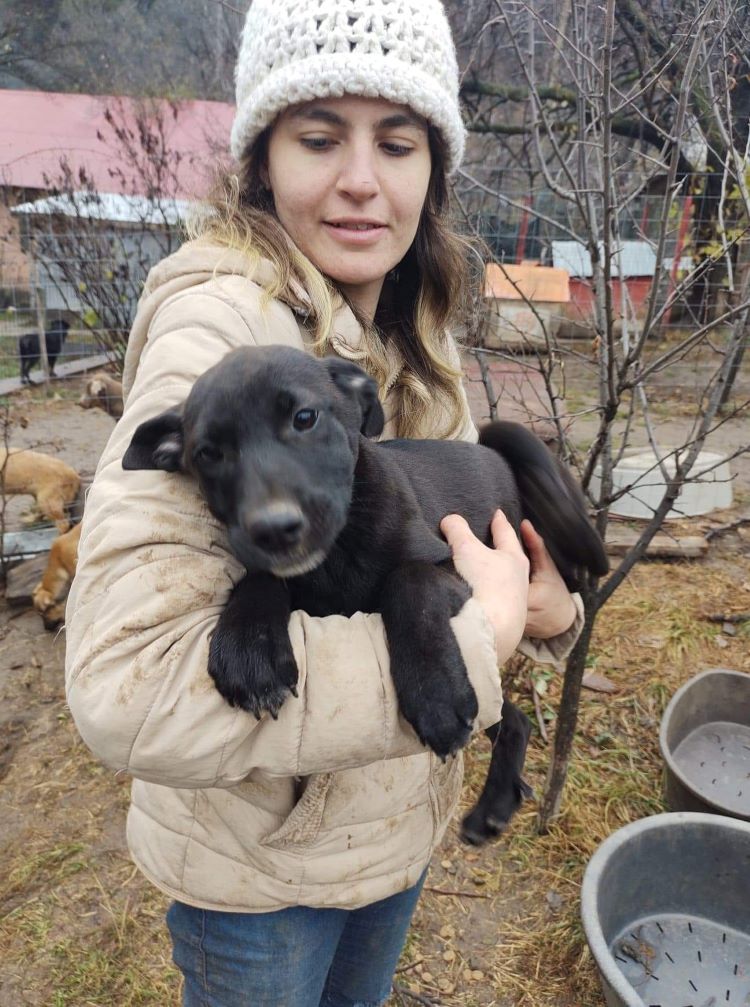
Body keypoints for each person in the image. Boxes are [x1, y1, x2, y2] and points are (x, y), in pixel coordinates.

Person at [65, 1, 584, 1004]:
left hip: (390, 830)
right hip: (264, 882)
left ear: (433, 169)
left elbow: (452, 539)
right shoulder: (216, 328)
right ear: (261, 158)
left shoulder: (403, 320)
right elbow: (125, 685)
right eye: (317, 137)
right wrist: (482, 638)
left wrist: (542, 607)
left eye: (397, 142)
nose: (360, 179)